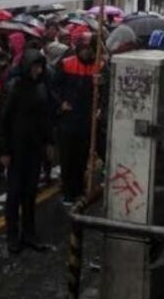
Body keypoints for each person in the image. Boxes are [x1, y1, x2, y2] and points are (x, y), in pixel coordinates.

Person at [0, 49, 55, 254]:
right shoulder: (14, 88)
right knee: (14, 194)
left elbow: (45, 118)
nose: (38, 70)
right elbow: (4, 120)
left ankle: (29, 233)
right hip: (16, 149)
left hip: (34, 148)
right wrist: (5, 150)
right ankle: (12, 235)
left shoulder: (40, 88)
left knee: (30, 193)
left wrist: (49, 142)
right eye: (34, 66)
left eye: (40, 67)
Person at [51, 32, 99, 204]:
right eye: (83, 48)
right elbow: (53, 88)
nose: (86, 52)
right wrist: (61, 103)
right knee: (67, 157)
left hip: (87, 120)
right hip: (68, 119)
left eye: (89, 48)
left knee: (81, 157)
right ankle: (68, 191)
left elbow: (104, 93)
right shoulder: (66, 64)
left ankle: (78, 189)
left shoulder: (99, 66)